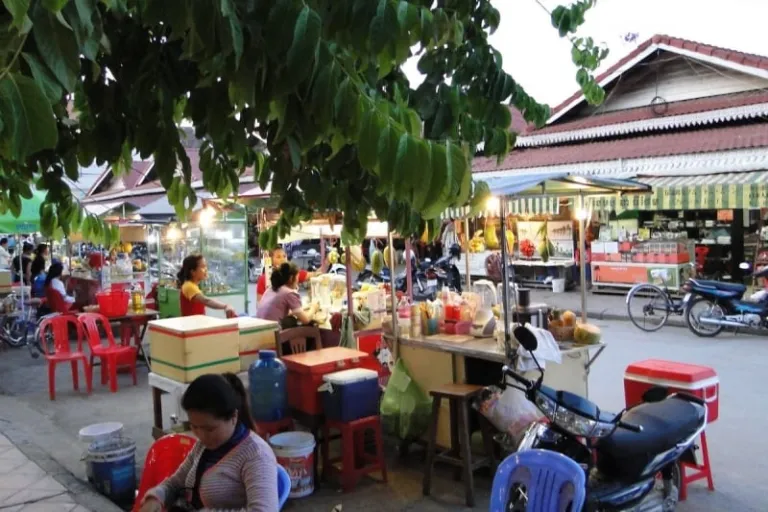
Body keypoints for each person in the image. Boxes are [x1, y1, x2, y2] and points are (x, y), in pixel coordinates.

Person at [138, 373, 278, 512]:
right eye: (194, 427)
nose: (201, 435)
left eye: (209, 429)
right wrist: (156, 498)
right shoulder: (202, 447)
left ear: (233, 417)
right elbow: (175, 483)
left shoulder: (256, 455)